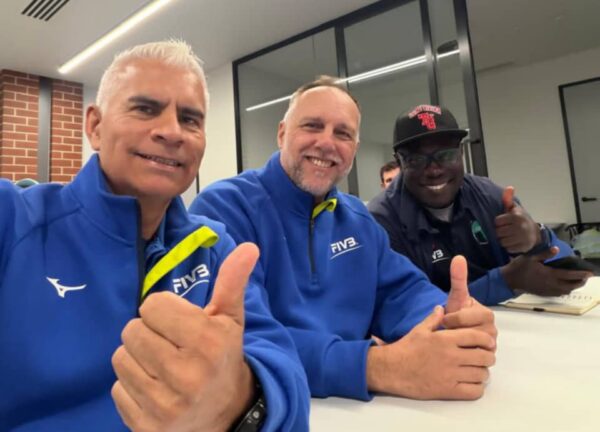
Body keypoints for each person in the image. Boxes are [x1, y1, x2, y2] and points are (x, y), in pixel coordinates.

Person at [0, 41, 309, 431]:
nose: (172, 131)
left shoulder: (214, 248)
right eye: (145, 109)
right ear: (95, 126)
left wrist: (238, 400)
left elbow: (286, 373)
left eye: (190, 119)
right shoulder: (14, 220)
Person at [190, 77, 497, 402]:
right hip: (278, 408)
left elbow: (402, 292)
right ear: (282, 133)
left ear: (354, 150)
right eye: (312, 126)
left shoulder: (357, 218)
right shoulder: (224, 207)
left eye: (343, 133)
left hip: (365, 413)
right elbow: (237, 335)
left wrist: (451, 320)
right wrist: (378, 367)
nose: (327, 143)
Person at [368, 104, 589, 305]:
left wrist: (537, 238)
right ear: (399, 162)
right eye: (416, 160)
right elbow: (404, 307)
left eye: (446, 155)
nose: (434, 170)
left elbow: (564, 259)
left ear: (461, 153)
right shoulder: (380, 221)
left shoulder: (490, 196)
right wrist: (508, 281)